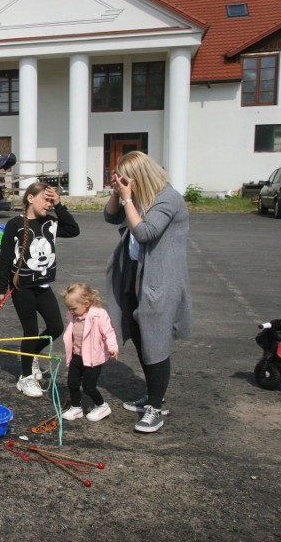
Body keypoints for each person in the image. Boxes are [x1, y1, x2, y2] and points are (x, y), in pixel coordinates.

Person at [104, 151, 192, 433]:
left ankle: (156, 407)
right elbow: (110, 216)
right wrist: (117, 194)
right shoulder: (140, 196)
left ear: (139, 177)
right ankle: (155, 395)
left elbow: (145, 233)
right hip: (138, 276)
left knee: (155, 341)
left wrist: (129, 198)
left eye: (125, 178)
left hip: (161, 280)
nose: (122, 183)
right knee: (142, 337)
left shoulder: (168, 198)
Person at [0, 182, 80, 397]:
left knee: (55, 327)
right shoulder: (15, 224)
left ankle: (31, 355)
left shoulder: (50, 223)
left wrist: (60, 205)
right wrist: (1, 288)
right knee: (31, 331)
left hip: (43, 287)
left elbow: (73, 230)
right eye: (46, 199)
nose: (49, 205)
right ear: (30, 198)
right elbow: (5, 257)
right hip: (22, 287)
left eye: (52, 201)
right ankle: (25, 378)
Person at [60, 282, 119, 422]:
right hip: (76, 356)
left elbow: (109, 333)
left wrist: (112, 347)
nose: (71, 311)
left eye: (73, 308)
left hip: (92, 359)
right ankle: (76, 407)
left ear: (86, 303)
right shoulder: (72, 315)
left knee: (89, 387)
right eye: (69, 308)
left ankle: (102, 406)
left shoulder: (99, 315)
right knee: (72, 383)